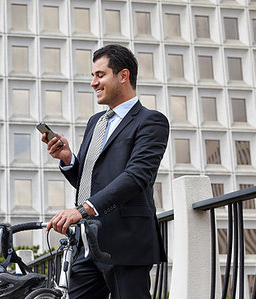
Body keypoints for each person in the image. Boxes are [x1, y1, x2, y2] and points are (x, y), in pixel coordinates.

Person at [42, 44, 169, 299]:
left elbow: (136, 177)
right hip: (87, 246)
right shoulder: (95, 123)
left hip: (126, 244)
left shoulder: (151, 121)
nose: (93, 83)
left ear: (123, 76)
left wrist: (81, 210)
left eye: (100, 75)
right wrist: (68, 160)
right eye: (92, 76)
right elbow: (90, 180)